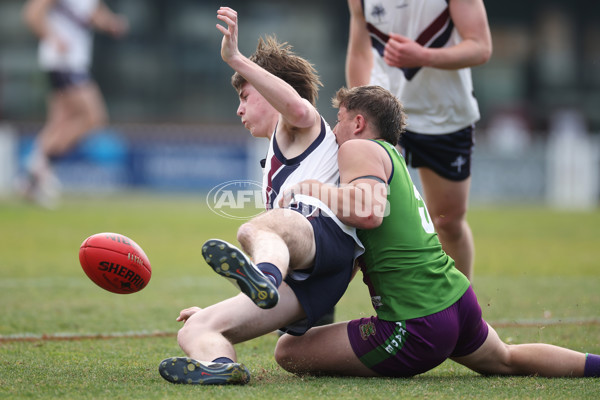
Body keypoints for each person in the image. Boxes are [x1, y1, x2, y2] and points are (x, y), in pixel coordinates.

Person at [273, 85, 600, 379]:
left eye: (338, 119)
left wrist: (312, 188)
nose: (333, 131)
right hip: (457, 300)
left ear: (358, 124)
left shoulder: (356, 149)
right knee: (507, 359)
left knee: (288, 351)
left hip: (418, 324)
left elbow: (368, 213)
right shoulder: (393, 159)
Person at [157, 7, 362, 385]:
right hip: (305, 282)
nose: (239, 108)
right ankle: (221, 365)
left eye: (245, 95)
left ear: (269, 89)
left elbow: (298, 107)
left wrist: (235, 58)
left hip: (322, 240)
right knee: (196, 328)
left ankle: (262, 279)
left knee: (258, 229)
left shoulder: (306, 126)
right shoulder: (275, 156)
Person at [345, 0, 493, 281]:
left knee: (448, 223)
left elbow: (481, 46)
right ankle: (316, 309)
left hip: (445, 114)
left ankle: (462, 313)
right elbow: (361, 51)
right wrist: (357, 109)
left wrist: (424, 55)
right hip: (383, 111)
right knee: (361, 217)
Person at [20, 0, 128, 208]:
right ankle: (39, 171)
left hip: (71, 62)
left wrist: (112, 23)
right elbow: (32, 13)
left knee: (59, 123)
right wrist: (52, 37)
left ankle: (33, 177)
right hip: (64, 62)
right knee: (93, 118)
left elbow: (93, 15)